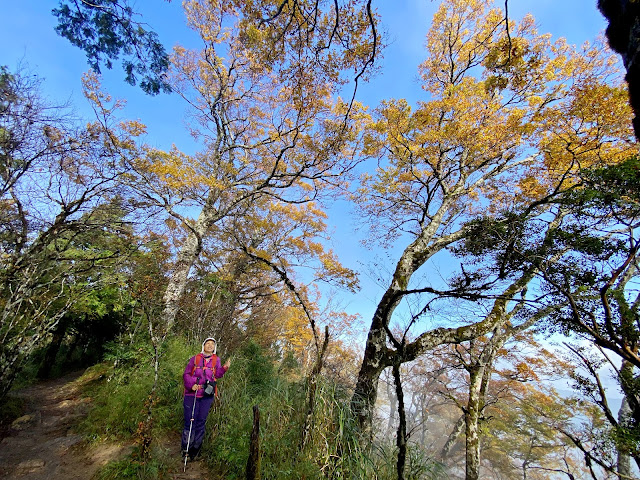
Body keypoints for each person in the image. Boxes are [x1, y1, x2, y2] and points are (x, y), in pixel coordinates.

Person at [181, 337, 230, 460]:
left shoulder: (216, 360)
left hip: (207, 395)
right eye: (207, 343)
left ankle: (195, 451)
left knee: (201, 422)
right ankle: (186, 449)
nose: (210, 346)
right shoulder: (195, 359)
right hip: (192, 394)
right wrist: (192, 384)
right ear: (203, 346)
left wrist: (224, 368)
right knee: (190, 421)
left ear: (214, 347)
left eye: (212, 344)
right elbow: (186, 374)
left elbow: (217, 374)